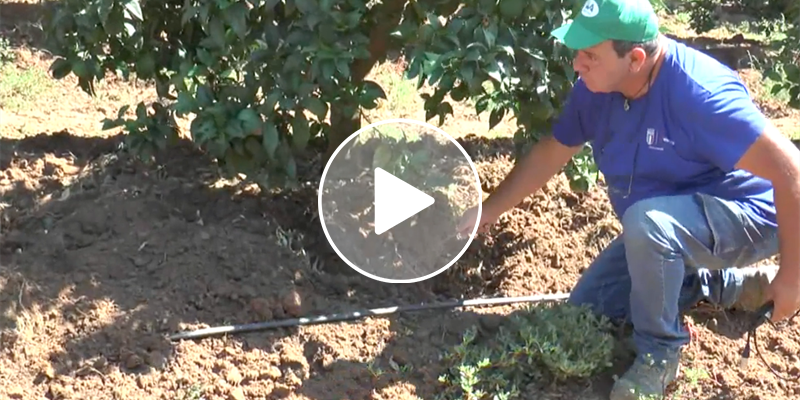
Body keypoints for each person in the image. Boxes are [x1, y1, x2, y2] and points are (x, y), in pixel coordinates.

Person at [456, 0, 800, 398]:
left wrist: (792, 276)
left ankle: (660, 354)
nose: (577, 65)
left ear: (635, 58)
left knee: (648, 226)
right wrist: (488, 211)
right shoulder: (597, 87)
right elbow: (554, 149)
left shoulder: (699, 95)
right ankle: (731, 287)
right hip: (670, 218)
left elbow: (792, 172)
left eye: (589, 55)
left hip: (750, 216)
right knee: (590, 308)